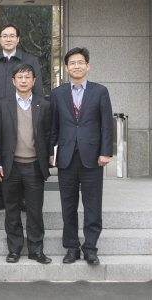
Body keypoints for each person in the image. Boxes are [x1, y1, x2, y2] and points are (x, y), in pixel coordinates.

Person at [49, 47, 113, 266]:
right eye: (72, 63)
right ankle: (72, 248)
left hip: (92, 157)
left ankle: (91, 248)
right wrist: (50, 153)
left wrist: (105, 152)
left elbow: (106, 124)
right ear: (66, 68)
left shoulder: (100, 91)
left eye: (80, 62)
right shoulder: (57, 93)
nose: (76, 66)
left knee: (92, 205)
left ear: (88, 66)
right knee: (68, 205)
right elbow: (53, 127)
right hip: (66, 156)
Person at [0, 23, 43, 212]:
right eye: (5, 36)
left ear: (18, 39)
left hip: (24, 115)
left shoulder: (30, 60)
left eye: (12, 36)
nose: (8, 39)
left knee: (21, 158)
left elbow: (38, 90)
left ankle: (23, 198)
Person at [0, 63, 52, 264]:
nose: (24, 80)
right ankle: (14, 249)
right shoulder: (3, 104)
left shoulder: (44, 105)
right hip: (10, 166)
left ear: (34, 81)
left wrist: (50, 157)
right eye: (20, 77)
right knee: (11, 210)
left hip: (34, 166)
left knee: (35, 211)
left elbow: (48, 135)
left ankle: (36, 250)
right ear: (13, 81)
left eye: (27, 77)